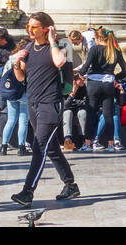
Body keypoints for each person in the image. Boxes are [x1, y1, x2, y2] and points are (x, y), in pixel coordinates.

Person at [9, 12, 79, 207]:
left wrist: (52, 40)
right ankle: (70, 184)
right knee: (52, 148)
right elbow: (22, 77)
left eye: (34, 27)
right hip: (33, 103)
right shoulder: (29, 48)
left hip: (51, 104)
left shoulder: (61, 47)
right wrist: (17, 63)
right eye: (28, 27)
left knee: (39, 146)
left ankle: (27, 192)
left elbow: (59, 62)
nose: (30, 30)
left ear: (46, 28)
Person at [78, 26, 126, 153]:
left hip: (93, 84)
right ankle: (111, 144)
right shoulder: (114, 51)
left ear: (98, 38)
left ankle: (87, 144)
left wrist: (80, 74)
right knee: (108, 115)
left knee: (91, 114)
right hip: (108, 84)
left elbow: (85, 67)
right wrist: (115, 77)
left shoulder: (94, 49)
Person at [0, 39, 31, 156]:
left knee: (11, 120)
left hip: (10, 93)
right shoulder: (25, 59)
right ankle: (22, 147)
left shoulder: (10, 59)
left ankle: (3, 146)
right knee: (23, 121)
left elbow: (3, 76)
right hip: (23, 93)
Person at [62, 72, 89, 150]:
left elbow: (86, 102)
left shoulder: (83, 87)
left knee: (83, 112)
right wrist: (73, 93)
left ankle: (83, 139)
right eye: (80, 80)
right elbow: (65, 105)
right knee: (68, 113)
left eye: (83, 81)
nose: (83, 82)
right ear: (74, 80)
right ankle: (67, 141)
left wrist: (74, 102)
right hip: (68, 110)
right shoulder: (67, 87)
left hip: (79, 109)